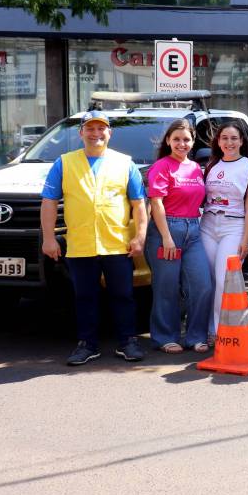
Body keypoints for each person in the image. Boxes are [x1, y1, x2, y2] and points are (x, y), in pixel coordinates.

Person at [40, 110, 148, 365]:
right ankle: (87, 344)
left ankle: (128, 342)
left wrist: (140, 236)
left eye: (101, 128)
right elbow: (49, 202)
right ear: (81, 133)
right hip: (81, 244)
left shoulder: (125, 163)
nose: (95, 133)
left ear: (110, 133)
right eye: (90, 128)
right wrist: (48, 238)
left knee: (123, 295)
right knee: (85, 297)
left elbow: (139, 204)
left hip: (117, 243)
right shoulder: (64, 163)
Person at [144, 119, 213, 354]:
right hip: (167, 230)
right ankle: (165, 337)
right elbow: (156, 203)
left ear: (193, 142)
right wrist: (166, 237)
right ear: (168, 141)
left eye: (186, 139)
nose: (181, 144)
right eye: (176, 139)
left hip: (194, 230)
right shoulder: (161, 166)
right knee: (167, 287)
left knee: (202, 285)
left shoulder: (195, 168)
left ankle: (196, 336)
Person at [201, 120, 248, 341]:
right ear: (218, 141)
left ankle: (219, 332)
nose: (229, 142)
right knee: (207, 281)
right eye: (224, 138)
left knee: (224, 279)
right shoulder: (212, 165)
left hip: (234, 227)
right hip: (208, 225)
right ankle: (205, 328)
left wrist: (246, 239)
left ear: (242, 141)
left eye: (234, 138)